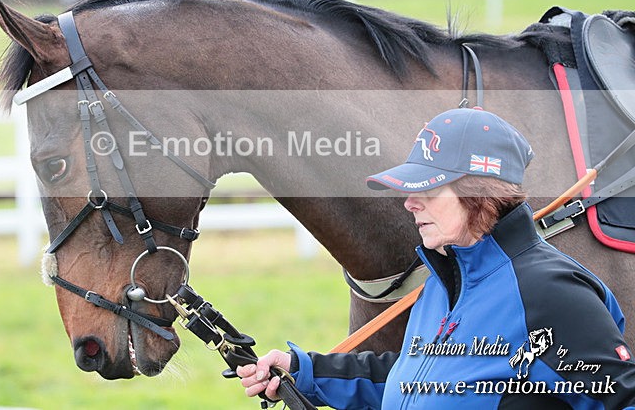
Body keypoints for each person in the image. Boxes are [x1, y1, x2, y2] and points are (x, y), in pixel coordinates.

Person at [237, 107, 635, 409]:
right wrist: (304, 371)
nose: (410, 203)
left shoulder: (550, 293)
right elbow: (419, 378)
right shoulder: (442, 285)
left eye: (427, 189)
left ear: (479, 193)